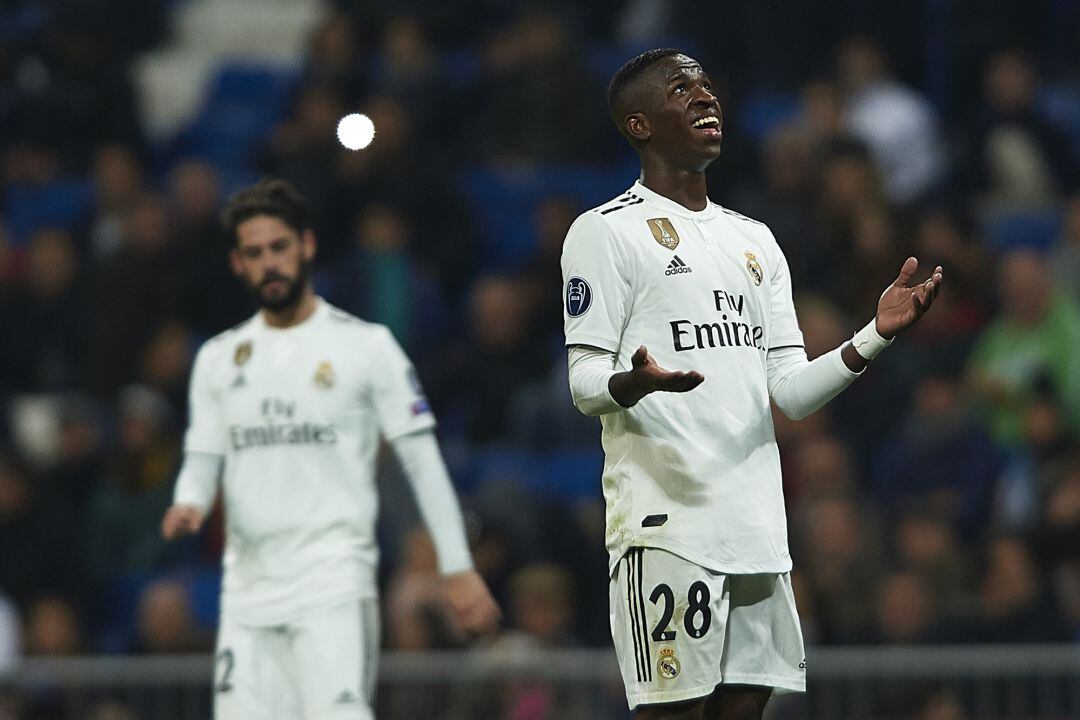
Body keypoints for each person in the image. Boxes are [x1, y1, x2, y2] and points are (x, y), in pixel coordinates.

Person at [561, 49, 943, 719]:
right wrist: (634, 382)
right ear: (640, 124)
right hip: (670, 524)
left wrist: (873, 336)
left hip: (758, 530)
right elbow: (584, 382)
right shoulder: (605, 232)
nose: (706, 96)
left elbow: (790, 391)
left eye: (708, 84)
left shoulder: (755, 240)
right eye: (682, 89)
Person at [161, 178, 500, 720]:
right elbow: (203, 453)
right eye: (255, 253)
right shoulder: (219, 360)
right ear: (237, 264)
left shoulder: (366, 348)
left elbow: (420, 458)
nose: (269, 262)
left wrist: (456, 566)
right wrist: (190, 500)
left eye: (279, 247)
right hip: (248, 591)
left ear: (307, 247)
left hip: (332, 584)